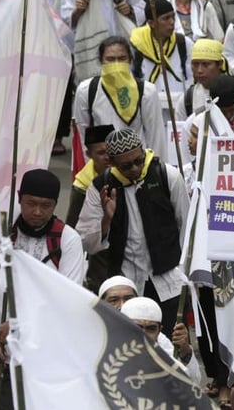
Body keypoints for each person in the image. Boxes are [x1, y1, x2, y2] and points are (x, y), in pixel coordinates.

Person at [0, 169, 85, 407]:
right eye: (31, 204)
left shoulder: (68, 240)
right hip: (2, 353)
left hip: (47, 355)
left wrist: (22, 325)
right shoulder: (0, 234)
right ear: (19, 198)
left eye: (46, 205)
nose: (38, 212)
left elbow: (66, 300)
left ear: (55, 205)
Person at [77, 128, 191, 336]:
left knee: (172, 343)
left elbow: (187, 226)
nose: (135, 168)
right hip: (127, 284)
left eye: (139, 160)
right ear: (111, 162)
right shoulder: (99, 187)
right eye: (126, 165)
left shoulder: (168, 176)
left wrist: (185, 273)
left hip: (170, 282)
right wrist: (106, 219)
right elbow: (86, 242)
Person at [74, 36, 169, 161]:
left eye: (122, 59)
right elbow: (82, 135)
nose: (116, 64)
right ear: (101, 61)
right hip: (103, 165)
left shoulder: (146, 91)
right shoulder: (86, 91)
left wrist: (157, 170)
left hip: (137, 166)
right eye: (110, 59)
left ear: (130, 60)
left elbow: (156, 136)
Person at [61, 0, 146, 82]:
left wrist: (130, 10)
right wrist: (77, 11)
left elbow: (142, 9)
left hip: (120, 44)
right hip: (91, 49)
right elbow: (65, 20)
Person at [131, 0, 195, 121]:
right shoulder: (137, 46)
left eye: (173, 17)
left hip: (179, 111)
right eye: (165, 18)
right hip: (149, 112)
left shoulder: (183, 43)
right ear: (151, 23)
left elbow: (191, 77)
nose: (172, 22)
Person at [120, 297, 199, 380]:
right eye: (136, 327)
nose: (143, 335)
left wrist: (185, 350)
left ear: (159, 331)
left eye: (151, 329)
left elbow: (192, 383)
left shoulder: (170, 365)